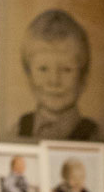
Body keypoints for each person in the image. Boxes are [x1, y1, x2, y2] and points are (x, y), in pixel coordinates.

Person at [13, 9, 99, 142]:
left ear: (84, 78)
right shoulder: (17, 130)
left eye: (66, 69)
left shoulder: (96, 135)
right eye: (43, 69)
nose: (54, 81)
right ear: (28, 75)